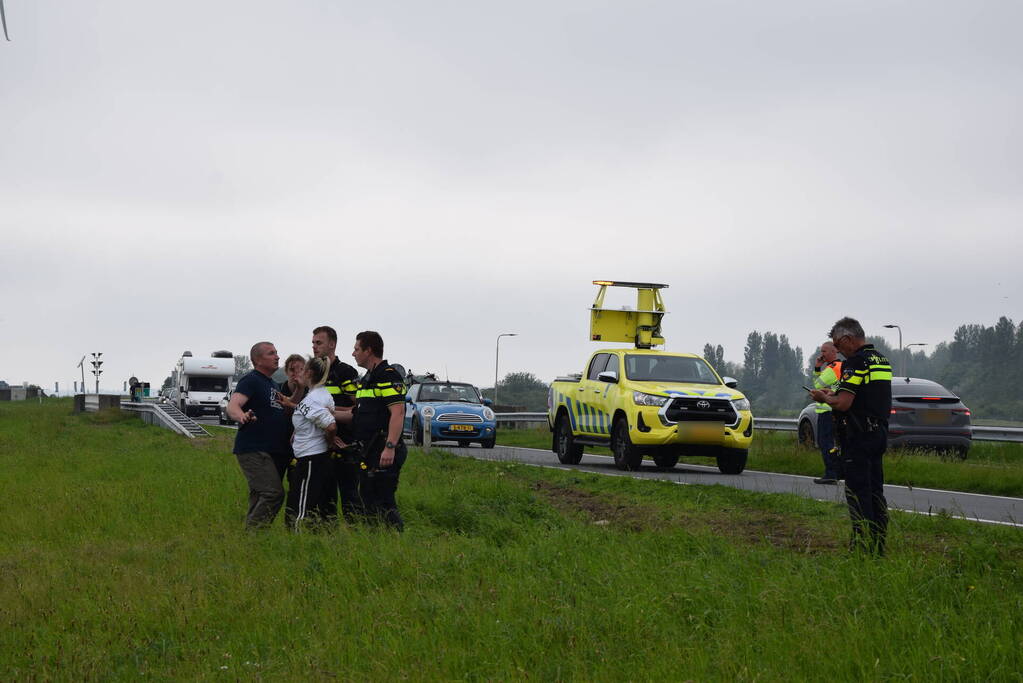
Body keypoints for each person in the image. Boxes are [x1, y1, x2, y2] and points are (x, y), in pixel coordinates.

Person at [810, 317, 892, 555]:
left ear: (847, 339)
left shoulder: (854, 362)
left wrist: (825, 398)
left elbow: (844, 404)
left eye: (837, 344)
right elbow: (865, 392)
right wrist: (834, 391)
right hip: (879, 432)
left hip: (858, 435)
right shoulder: (880, 360)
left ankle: (861, 547)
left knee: (857, 493)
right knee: (876, 491)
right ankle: (878, 546)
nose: (838, 350)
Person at [339, 330, 407, 530]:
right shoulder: (367, 379)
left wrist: (390, 447)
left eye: (356, 349)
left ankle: (397, 540)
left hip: (383, 449)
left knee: (383, 502)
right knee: (368, 500)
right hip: (368, 451)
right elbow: (356, 414)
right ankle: (377, 541)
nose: (353, 354)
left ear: (369, 351)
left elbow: (398, 413)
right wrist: (325, 413)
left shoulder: (388, 376)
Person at [227, 342, 291, 530]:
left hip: (272, 450)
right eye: (271, 353)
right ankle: (254, 535)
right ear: (257, 360)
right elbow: (233, 405)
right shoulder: (251, 380)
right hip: (254, 448)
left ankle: (251, 543)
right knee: (272, 494)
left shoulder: (272, 384)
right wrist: (242, 416)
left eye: (277, 352)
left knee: (259, 496)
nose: (277, 356)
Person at [279, 355, 337, 531]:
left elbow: (331, 426)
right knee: (309, 499)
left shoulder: (312, 399)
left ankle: (296, 538)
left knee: (300, 504)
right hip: (313, 457)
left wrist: (330, 442)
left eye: (303, 369)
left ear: (310, 373)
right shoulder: (321, 394)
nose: (300, 373)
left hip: (310, 457)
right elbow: (312, 415)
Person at [311, 326, 360, 522]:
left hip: (344, 441)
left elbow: (358, 405)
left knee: (349, 492)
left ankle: (355, 532)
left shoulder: (345, 371)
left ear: (332, 344)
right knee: (324, 492)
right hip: (319, 441)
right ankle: (326, 533)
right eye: (313, 343)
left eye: (319, 342)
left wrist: (332, 413)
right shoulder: (314, 372)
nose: (314, 347)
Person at [812, 341, 844, 485]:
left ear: (834, 351)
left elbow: (817, 385)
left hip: (827, 410)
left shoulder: (832, 368)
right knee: (834, 443)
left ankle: (831, 473)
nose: (822, 354)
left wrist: (817, 367)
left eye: (824, 351)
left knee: (825, 442)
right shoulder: (842, 366)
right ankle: (837, 471)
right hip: (837, 409)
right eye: (821, 351)